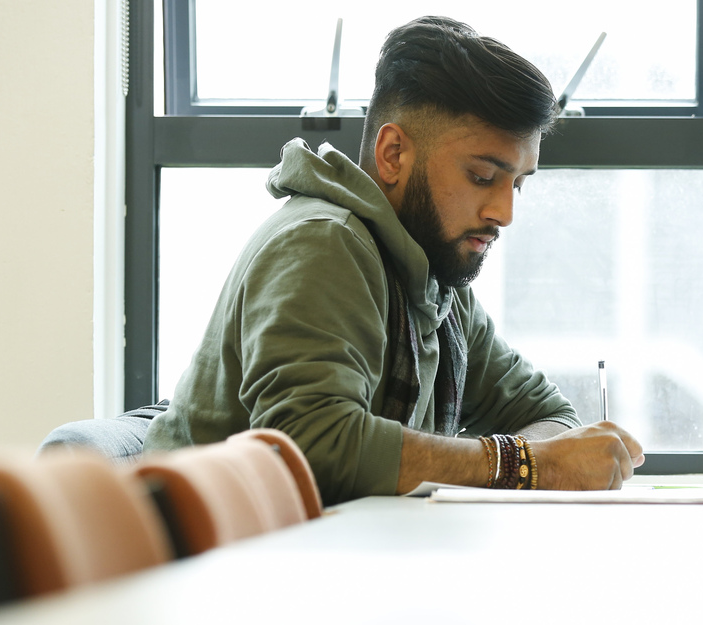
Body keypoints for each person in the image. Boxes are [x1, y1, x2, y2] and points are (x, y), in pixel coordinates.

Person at [143, 16, 645, 505]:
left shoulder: (435, 285)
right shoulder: (324, 244)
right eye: (481, 176)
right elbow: (309, 447)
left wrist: (538, 457)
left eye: (517, 183)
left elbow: (549, 417)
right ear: (393, 154)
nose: (504, 213)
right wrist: (524, 464)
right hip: (211, 566)